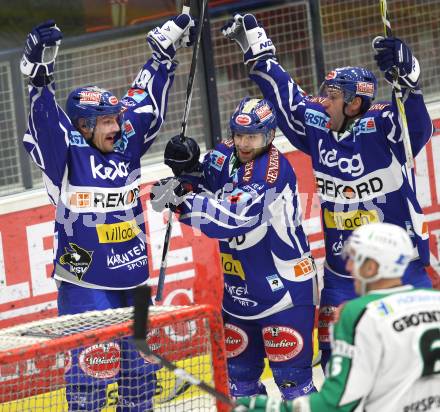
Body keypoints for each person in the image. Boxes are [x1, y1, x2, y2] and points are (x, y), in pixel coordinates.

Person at [221, 13, 434, 370]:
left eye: (333, 96)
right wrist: (257, 49)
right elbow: (289, 100)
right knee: (337, 362)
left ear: (354, 103)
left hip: (401, 269)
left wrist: (408, 79)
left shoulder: (382, 124)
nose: (324, 101)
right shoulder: (320, 123)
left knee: (418, 361)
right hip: (342, 274)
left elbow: (416, 127)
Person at [21, 16, 196, 411]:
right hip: (85, 283)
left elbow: (143, 104)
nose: (117, 126)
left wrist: (163, 54)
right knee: (91, 370)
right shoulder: (63, 155)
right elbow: (46, 123)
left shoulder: (123, 142)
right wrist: (38, 76)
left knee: (139, 377)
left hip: (132, 279)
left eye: (115, 119)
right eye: (106, 121)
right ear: (82, 127)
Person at [150, 97, 319, 400]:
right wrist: (184, 173)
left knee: (294, 387)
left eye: (252, 137)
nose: (243, 143)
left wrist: (180, 203)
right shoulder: (224, 153)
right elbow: (206, 183)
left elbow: (232, 218)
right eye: (239, 135)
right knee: (239, 387)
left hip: (284, 293)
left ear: (269, 136)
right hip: (238, 296)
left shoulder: (271, 172)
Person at [234, 222, 440, 412]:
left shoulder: (360, 312)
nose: (349, 267)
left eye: (354, 259)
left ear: (372, 267)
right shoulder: (435, 299)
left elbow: (335, 402)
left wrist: (268, 407)